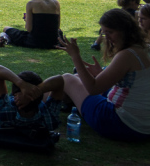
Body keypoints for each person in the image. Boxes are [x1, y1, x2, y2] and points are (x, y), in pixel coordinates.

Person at [56, 9, 150, 142]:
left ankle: (32, 106)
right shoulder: (145, 48)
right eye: (105, 33)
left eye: (110, 32)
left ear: (125, 30)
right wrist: (101, 74)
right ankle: (50, 102)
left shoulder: (127, 55)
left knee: (67, 79)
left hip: (122, 124)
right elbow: (135, 83)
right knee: (77, 78)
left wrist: (75, 56)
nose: (108, 38)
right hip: (143, 125)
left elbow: (93, 89)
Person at [0, 65, 64, 132]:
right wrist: (36, 91)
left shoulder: (4, 111)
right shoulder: (49, 120)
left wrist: (21, 84)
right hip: (30, 110)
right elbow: (60, 80)